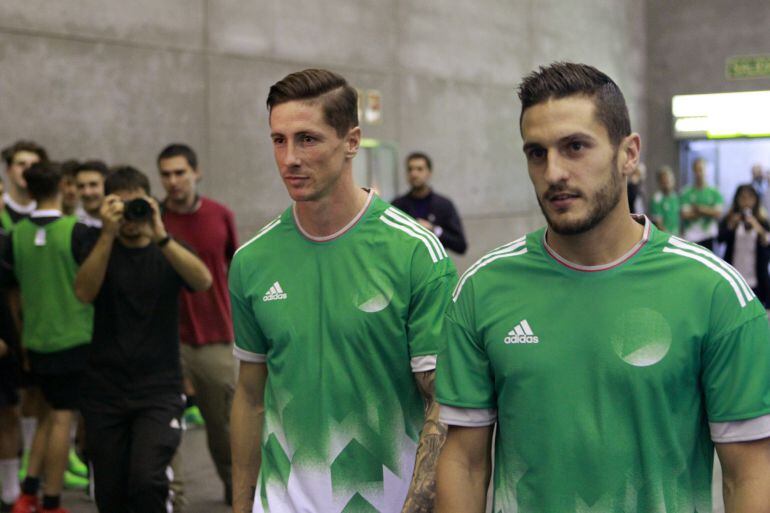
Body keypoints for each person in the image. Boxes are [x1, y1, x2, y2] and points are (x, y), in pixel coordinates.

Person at [435, 62, 770, 513]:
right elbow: (466, 463)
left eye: (575, 147)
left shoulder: (715, 292)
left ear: (628, 153)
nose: (553, 172)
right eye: (537, 153)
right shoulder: (482, 289)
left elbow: (748, 473)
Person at [229, 69, 457, 513]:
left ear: (351, 141)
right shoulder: (252, 260)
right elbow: (250, 396)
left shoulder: (415, 252)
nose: (289, 158)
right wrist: (241, 506)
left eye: (307, 139)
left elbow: (445, 401)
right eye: (279, 140)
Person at [74, 166, 212, 513]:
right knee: (110, 491)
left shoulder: (167, 248)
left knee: (147, 479)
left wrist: (160, 234)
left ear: (151, 203)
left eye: (136, 205)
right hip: (105, 389)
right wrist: (108, 233)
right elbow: (84, 292)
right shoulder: (94, 244)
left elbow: (203, 281)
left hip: (159, 389)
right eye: (120, 206)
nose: (130, 216)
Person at [3, 161, 96, 513]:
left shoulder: (16, 236)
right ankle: (52, 499)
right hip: (72, 339)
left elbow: (14, 296)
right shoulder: (76, 231)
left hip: (35, 341)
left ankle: (28, 489)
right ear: (61, 185)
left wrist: (22, 335)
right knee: (61, 419)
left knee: (45, 415)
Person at [157, 143, 238, 505]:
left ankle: (237, 489)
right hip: (163, 341)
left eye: (180, 172)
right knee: (164, 424)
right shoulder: (154, 218)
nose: (173, 181)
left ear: (196, 172)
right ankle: (172, 499)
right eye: (166, 174)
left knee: (223, 426)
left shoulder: (220, 215)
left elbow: (236, 272)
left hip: (214, 338)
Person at [392, 152, 467, 254]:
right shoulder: (397, 205)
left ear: (429, 173)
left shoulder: (444, 205)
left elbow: (460, 245)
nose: (414, 174)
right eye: (410, 169)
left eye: (419, 169)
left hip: (435, 265)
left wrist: (434, 230)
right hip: (404, 266)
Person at [718, 184, 770, 306]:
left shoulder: (762, 220)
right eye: (743, 198)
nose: (746, 201)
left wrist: (758, 228)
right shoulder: (730, 218)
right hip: (734, 277)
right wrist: (731, 225)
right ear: (737, 199)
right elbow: (720, 239)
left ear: (756, 200)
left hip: (757, 278)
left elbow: (767, 243)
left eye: (750, 198)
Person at [1, 141, 48, 230]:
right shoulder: (1, 207)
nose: (27, 170)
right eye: (21, 164)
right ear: (8, 170)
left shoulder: (46, 210)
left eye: (34, 165)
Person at [680, 157, 723, 250]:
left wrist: (699, 209)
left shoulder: (714, 192)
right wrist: (708, 211)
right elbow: (685, 215)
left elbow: (718, 213)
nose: (699, 173)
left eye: (701, 169)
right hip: (691, 236)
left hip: (709, 235)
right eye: (696, 170)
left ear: (706, 170)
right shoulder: (686, 192)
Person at [74, 160, 109, 228]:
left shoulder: (121, 221)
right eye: (81, 186)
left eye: (93, 185)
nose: (87, 193)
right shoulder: (72, 225)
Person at [649, 164, 680, 233]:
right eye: (664, 180)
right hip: (665, 239)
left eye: (669, 179)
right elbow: (658, 225)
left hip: (677, 237)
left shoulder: (675, 197)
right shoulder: (656, 199)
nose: (667, 183)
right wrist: (670, 239)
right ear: (659, 182)